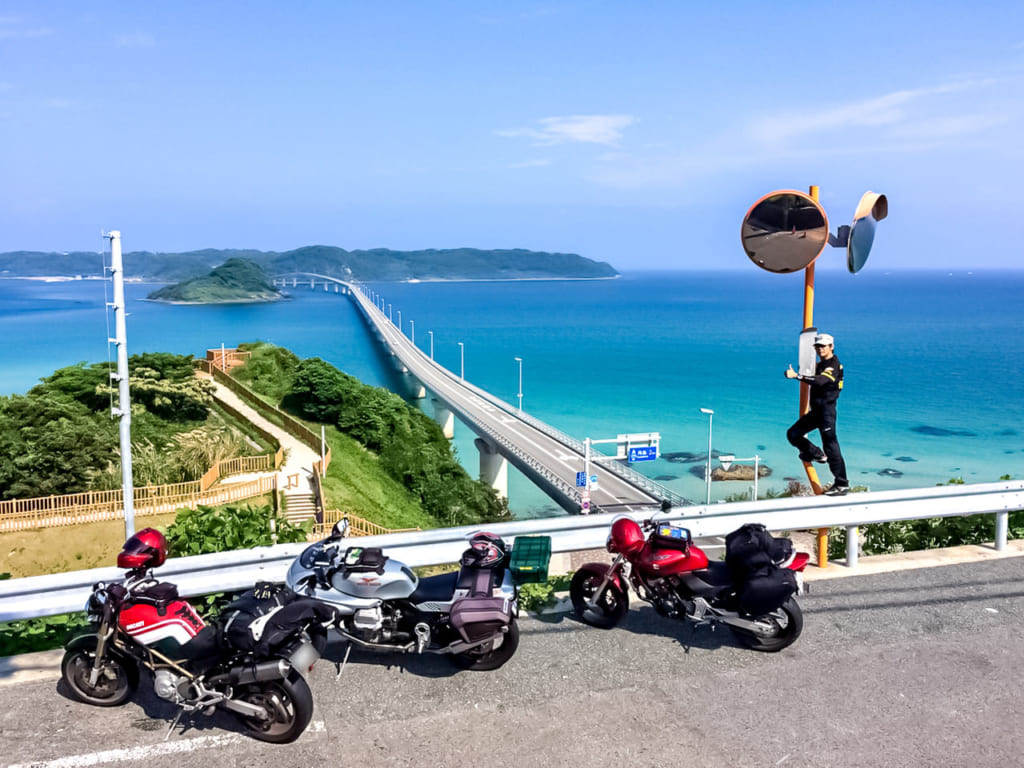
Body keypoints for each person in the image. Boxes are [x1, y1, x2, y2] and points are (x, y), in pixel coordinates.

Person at [784, 332, 849, 496]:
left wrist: (797, 376)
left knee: (831, 446)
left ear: (831, 347)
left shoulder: (833, 365)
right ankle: (816, 454)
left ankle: (841, 484)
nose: (821, 349)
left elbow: (820, 381)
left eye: (824, 346)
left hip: (826, 412)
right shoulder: (821, 365)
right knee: (793, 434)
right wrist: (802, 371)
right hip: (816, 412)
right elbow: (812, 376)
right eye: (818, 346)